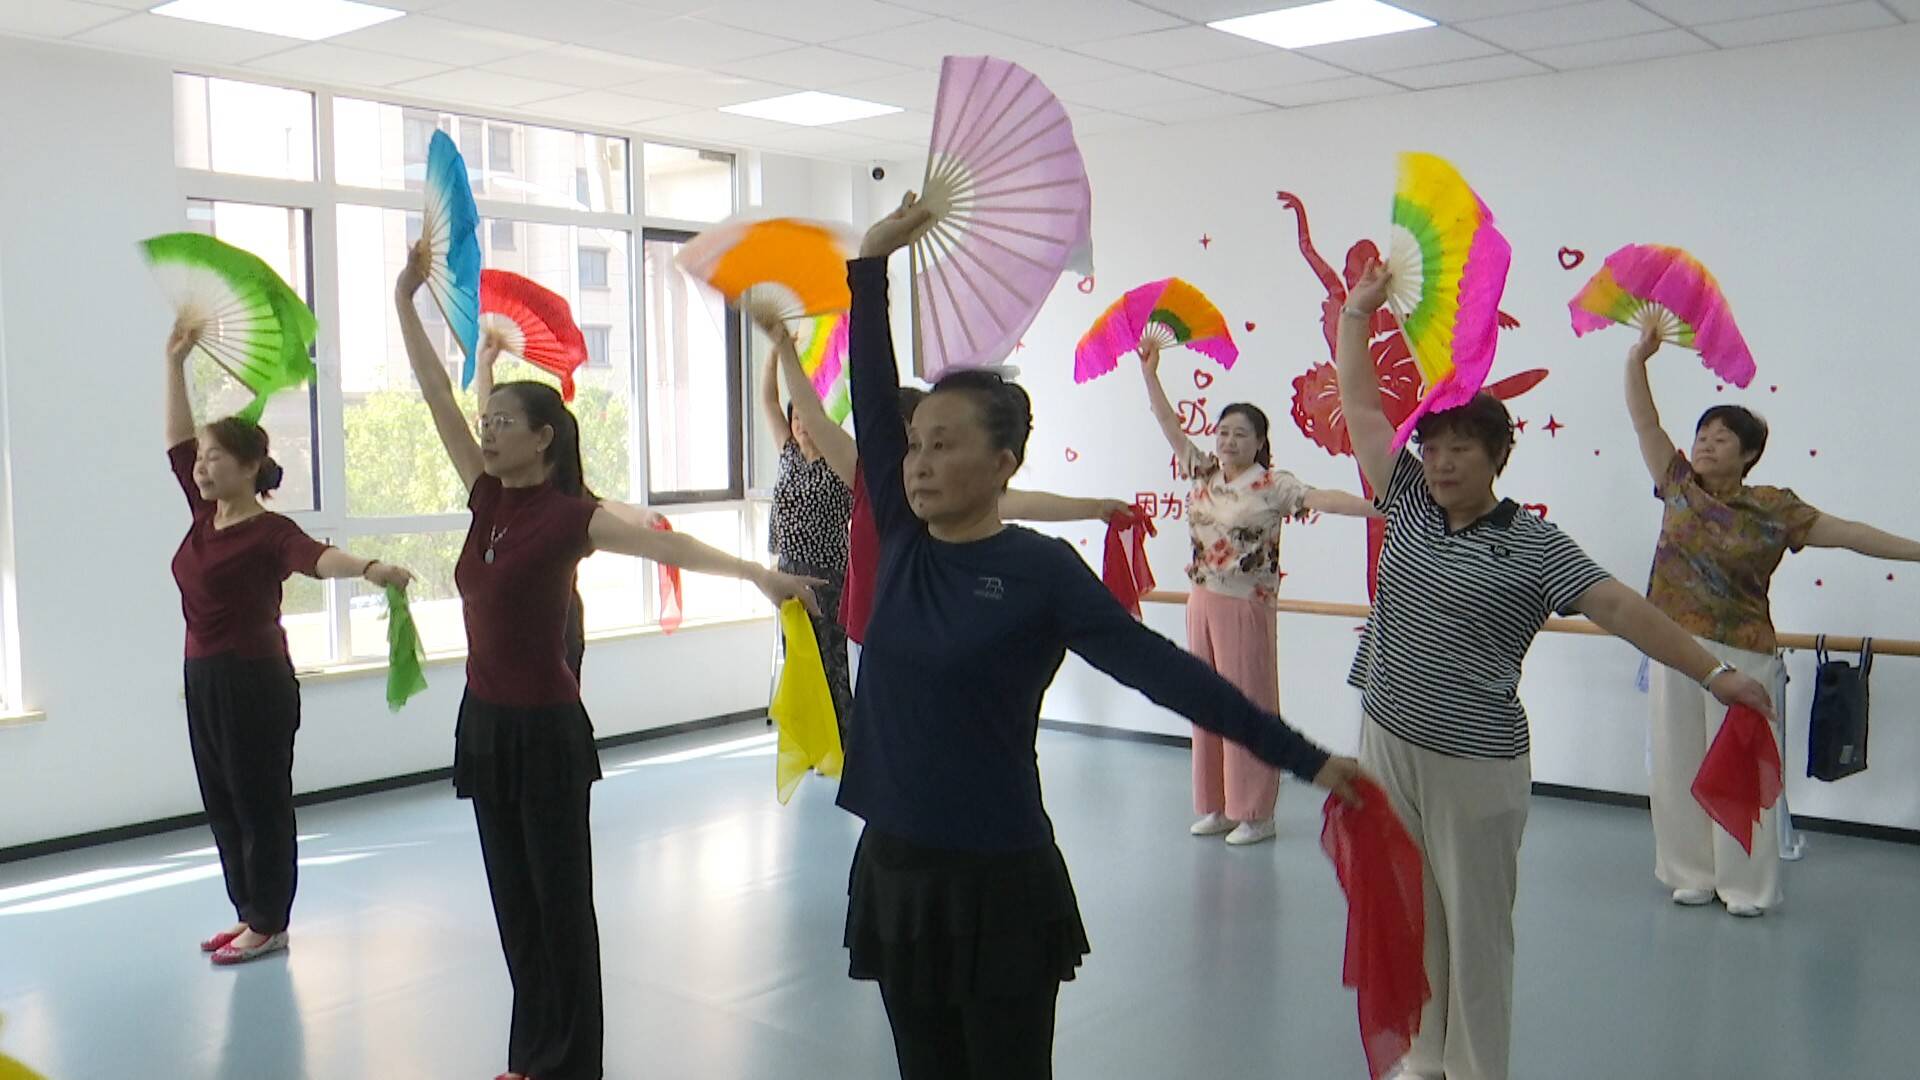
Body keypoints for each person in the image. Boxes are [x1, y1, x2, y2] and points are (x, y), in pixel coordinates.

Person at [838, 194, 1367, 1080]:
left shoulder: (1040, 571)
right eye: (914, 446)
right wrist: (871, 266)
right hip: (895, 870)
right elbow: (869, 395)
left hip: (998, 877)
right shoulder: (902, 539)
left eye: (944, 446)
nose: (918, 463)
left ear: (1004, 465)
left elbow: (1166, 673)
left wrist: (1303, 758)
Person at [1335, 261, 1774, 1080]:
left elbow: (1624, 610)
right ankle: (1421, 1057)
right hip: (1387, 737)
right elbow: (1361, 406)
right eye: (1432, 447)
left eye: (1461, 449)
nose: (1441, 462)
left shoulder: (1536, 545)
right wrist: (1357, 315)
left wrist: (1716, 674)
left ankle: (1476, 1067)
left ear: (1497, 455)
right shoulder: (1409, 498)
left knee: (1477, 930)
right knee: (1404, 907)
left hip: (1475, 759)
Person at [396, 249, 820, 1080]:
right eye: (486, 424)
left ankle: (571, 1064)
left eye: (501, 425)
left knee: (559, 907)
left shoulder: (570, 516)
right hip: (484, 725)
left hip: (544, 732)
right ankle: (530, 1055)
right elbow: (436, 393)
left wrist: (759, 574)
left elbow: (672, 545)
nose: (485, 432)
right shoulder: (486, 497)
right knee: (514, 907)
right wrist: (405, 298)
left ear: (543, 439)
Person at [1622, 322, 1920, 915]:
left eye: (1722, 438)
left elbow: (1851, 533)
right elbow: (1645, 422)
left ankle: (1745, 885)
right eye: (1702, 434)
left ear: (1749, 454)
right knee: (1676, 762)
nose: (1706, 444)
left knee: (1737, 765)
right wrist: (1639, 358)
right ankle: (1689, 871)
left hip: (1743, 651)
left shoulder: (1774, 508)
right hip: (1672, 646)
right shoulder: (1677, 485)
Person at [164, 324, 415, 966]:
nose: (201, 466)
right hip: (202, 675)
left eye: (215, 458)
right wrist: (174, 362)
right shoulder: (205, 515)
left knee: (260, 801)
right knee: (222, 799)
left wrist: (370, 568)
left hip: (253, 680)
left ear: (250, 466)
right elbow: (176, 438)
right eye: (200, 460)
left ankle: (270, 921)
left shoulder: (271, 531)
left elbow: (316, 558)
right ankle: (248, 911)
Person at [1139, 340, 1378, 845]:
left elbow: (1322, 498)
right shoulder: (1203, 471)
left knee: (1249, 702)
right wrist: (1151, 373)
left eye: (1240, 434)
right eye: (1223, 432)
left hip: (1247, 604)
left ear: (1259, 441)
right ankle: (1216, 805)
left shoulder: (1272, 485)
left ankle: (1255, 812)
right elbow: (1165, 421)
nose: (1228, 440)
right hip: (1201, 599)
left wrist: (1380, 508)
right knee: (1202, 698)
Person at [755, 316, 857, 741]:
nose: (798, 423)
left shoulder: (839, 463)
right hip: (788, 572)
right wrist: (775, 353)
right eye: (795, 417)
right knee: (799, 662)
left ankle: (845, 742)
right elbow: (768, 401)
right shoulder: (788, 454)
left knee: (832, 663)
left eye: (805, 417)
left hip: (828, 574)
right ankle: (811, 742)